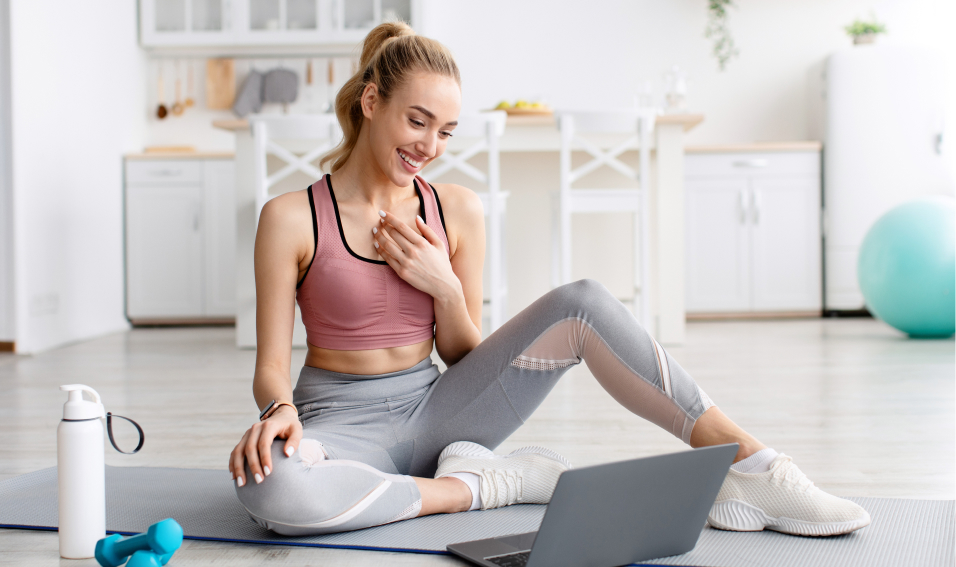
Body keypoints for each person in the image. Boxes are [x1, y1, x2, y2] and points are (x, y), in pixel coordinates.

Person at [228, 22, 870, 538]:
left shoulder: (457, 210)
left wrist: (443, 286)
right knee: (272, 489)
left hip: (439, 413)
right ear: (372, 102)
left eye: (445, 132)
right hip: (339, 427)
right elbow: (270, 368)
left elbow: (462, 354)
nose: (429, 146)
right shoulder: (290, 218)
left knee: (582, 302)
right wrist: (279, 410)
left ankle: (754, 469)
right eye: (417, 122)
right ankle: (481, 486)